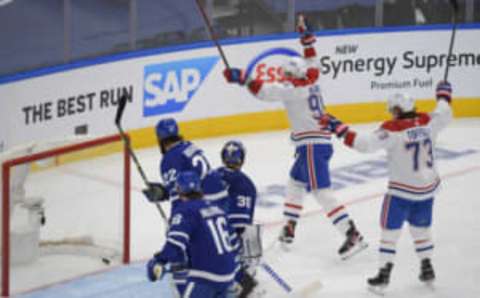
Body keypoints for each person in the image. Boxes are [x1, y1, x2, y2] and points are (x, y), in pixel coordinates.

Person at [222, 15, 367, 259]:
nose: (284, 79)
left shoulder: (293, 90)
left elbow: (266, 92)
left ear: (291, 76)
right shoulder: (311, 79)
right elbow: (312, 59)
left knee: (322, 193)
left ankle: (352, 234)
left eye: (286, 75)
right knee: (295, 183)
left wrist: (243, 78)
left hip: (311, 145)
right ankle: (289, 227)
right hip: (313, 145)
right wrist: (306, 38)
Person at [319, 81, 453, 293]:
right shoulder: (429, 122)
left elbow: (364, 144)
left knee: (390, 233)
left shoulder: (393, 129)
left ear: (398, 110)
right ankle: (426, 265)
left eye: (393, 109)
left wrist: (338, 127)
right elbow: (444, 112)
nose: (391, 113)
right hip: (427, 191)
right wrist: (443, 94)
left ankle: (384, 275)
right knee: (422, 229)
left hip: (401, 193)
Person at [143, 118, 230, 296]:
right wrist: (165, 191)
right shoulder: (189, 147)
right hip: (218, 204)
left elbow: (181, 202)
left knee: (184, 245)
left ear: (160, 140)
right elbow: (190, 183)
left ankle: (190, 283)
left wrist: (176, 224)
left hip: (200, 205)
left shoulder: (169, 158)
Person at [146, 171, 239, 298]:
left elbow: (175, 243)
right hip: (228, 275)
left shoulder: (185, 210)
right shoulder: (217, 209)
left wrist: (159, 261)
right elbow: (234, 243)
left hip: (206, 276)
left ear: (179, 190)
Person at [217, 140, 262, 297]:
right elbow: (242, 224)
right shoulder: (246, 184)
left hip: (208, 240)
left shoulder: (211, 176)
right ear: (242, 159)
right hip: (231, 243)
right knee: (253, 232)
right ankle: (244, 278)